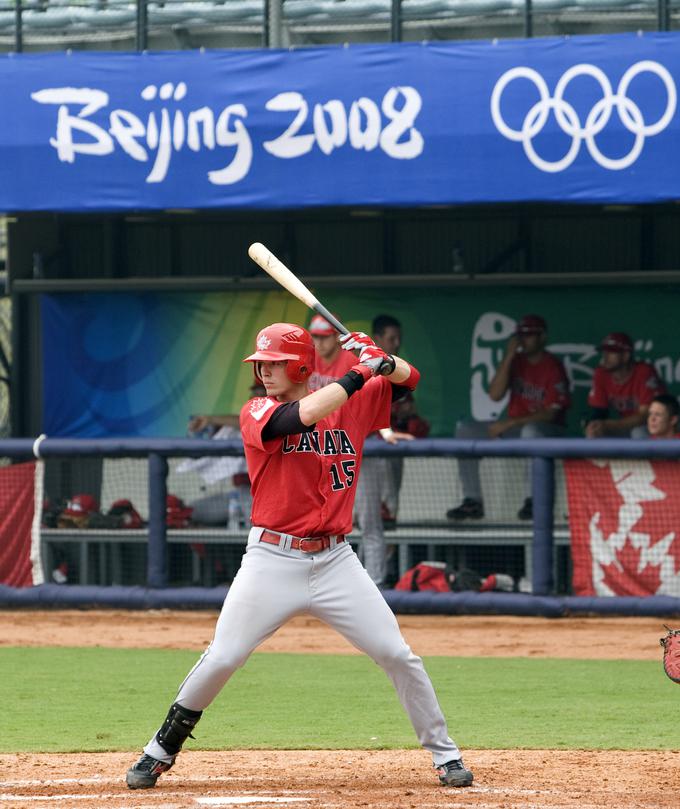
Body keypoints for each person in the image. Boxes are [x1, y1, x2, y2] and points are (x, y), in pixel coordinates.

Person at [126, 321, 473, 790]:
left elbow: (411, 382)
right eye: (262, 363)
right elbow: (297, 419)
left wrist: (383, 363)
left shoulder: (352, 402)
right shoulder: (257, 409)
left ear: (301, 365)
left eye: (274, 363)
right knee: (224, 655)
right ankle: (160, 748)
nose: (265, 371)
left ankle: (445, 754)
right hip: (272, 558)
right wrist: (358, 375)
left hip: (336, 560)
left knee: (397, 653)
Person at [447, 314, 570, 521]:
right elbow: (494, 394)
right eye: (521, 335)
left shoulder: (552, 365)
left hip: (549, 431)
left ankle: (534, 500)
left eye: (530, 335)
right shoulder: (516, 362)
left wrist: (510, 422)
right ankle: (472, 501)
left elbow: (551, 413)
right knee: (465, 430)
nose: (524, 340)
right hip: (517, 429)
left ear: (542, 337)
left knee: (532, 430)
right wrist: (508, 356)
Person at [354, 314, 428, 587]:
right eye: (390, 338)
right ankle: (368, 580)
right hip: (357, 453)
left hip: (387, 455)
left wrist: (405, 413)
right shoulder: (361, 368)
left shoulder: (397, 372)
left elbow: (412, 403)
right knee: (364, 521)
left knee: (381, 518)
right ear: (378, 337)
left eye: (398, 339)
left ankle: (373, 579)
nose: (396, 343)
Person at [584, 332, 665, 439]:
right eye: (604, 351)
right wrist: (594, 426)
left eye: (611, 352)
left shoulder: (644, 372)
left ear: (626, 356)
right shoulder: (601, 374)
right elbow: (599, 411)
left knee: (638, 432)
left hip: (654, 428)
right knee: (595, 433)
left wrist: (610, 425)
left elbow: (646, 416)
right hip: (625, 427)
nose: (605, 355)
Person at [307, 313, 357, 392]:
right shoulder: (308, 357)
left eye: (325, 337)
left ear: (337, 335)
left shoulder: (352, 360)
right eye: (315, 336)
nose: (319, 343)